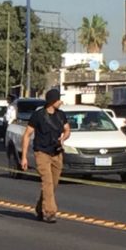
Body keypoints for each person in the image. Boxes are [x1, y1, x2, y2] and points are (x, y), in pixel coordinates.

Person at [20, 89, 71, 223]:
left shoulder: (61, 115)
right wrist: (24, 157)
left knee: (53, 184)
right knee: (47, 182)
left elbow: (67, 129)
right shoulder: (38, 116)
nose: (61, 102)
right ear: (52, 101)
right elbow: (27, 135)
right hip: (42, 152)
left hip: (57, 153)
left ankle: (40, 208)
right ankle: (50, 212)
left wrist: (63, 138)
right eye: (58, 99)